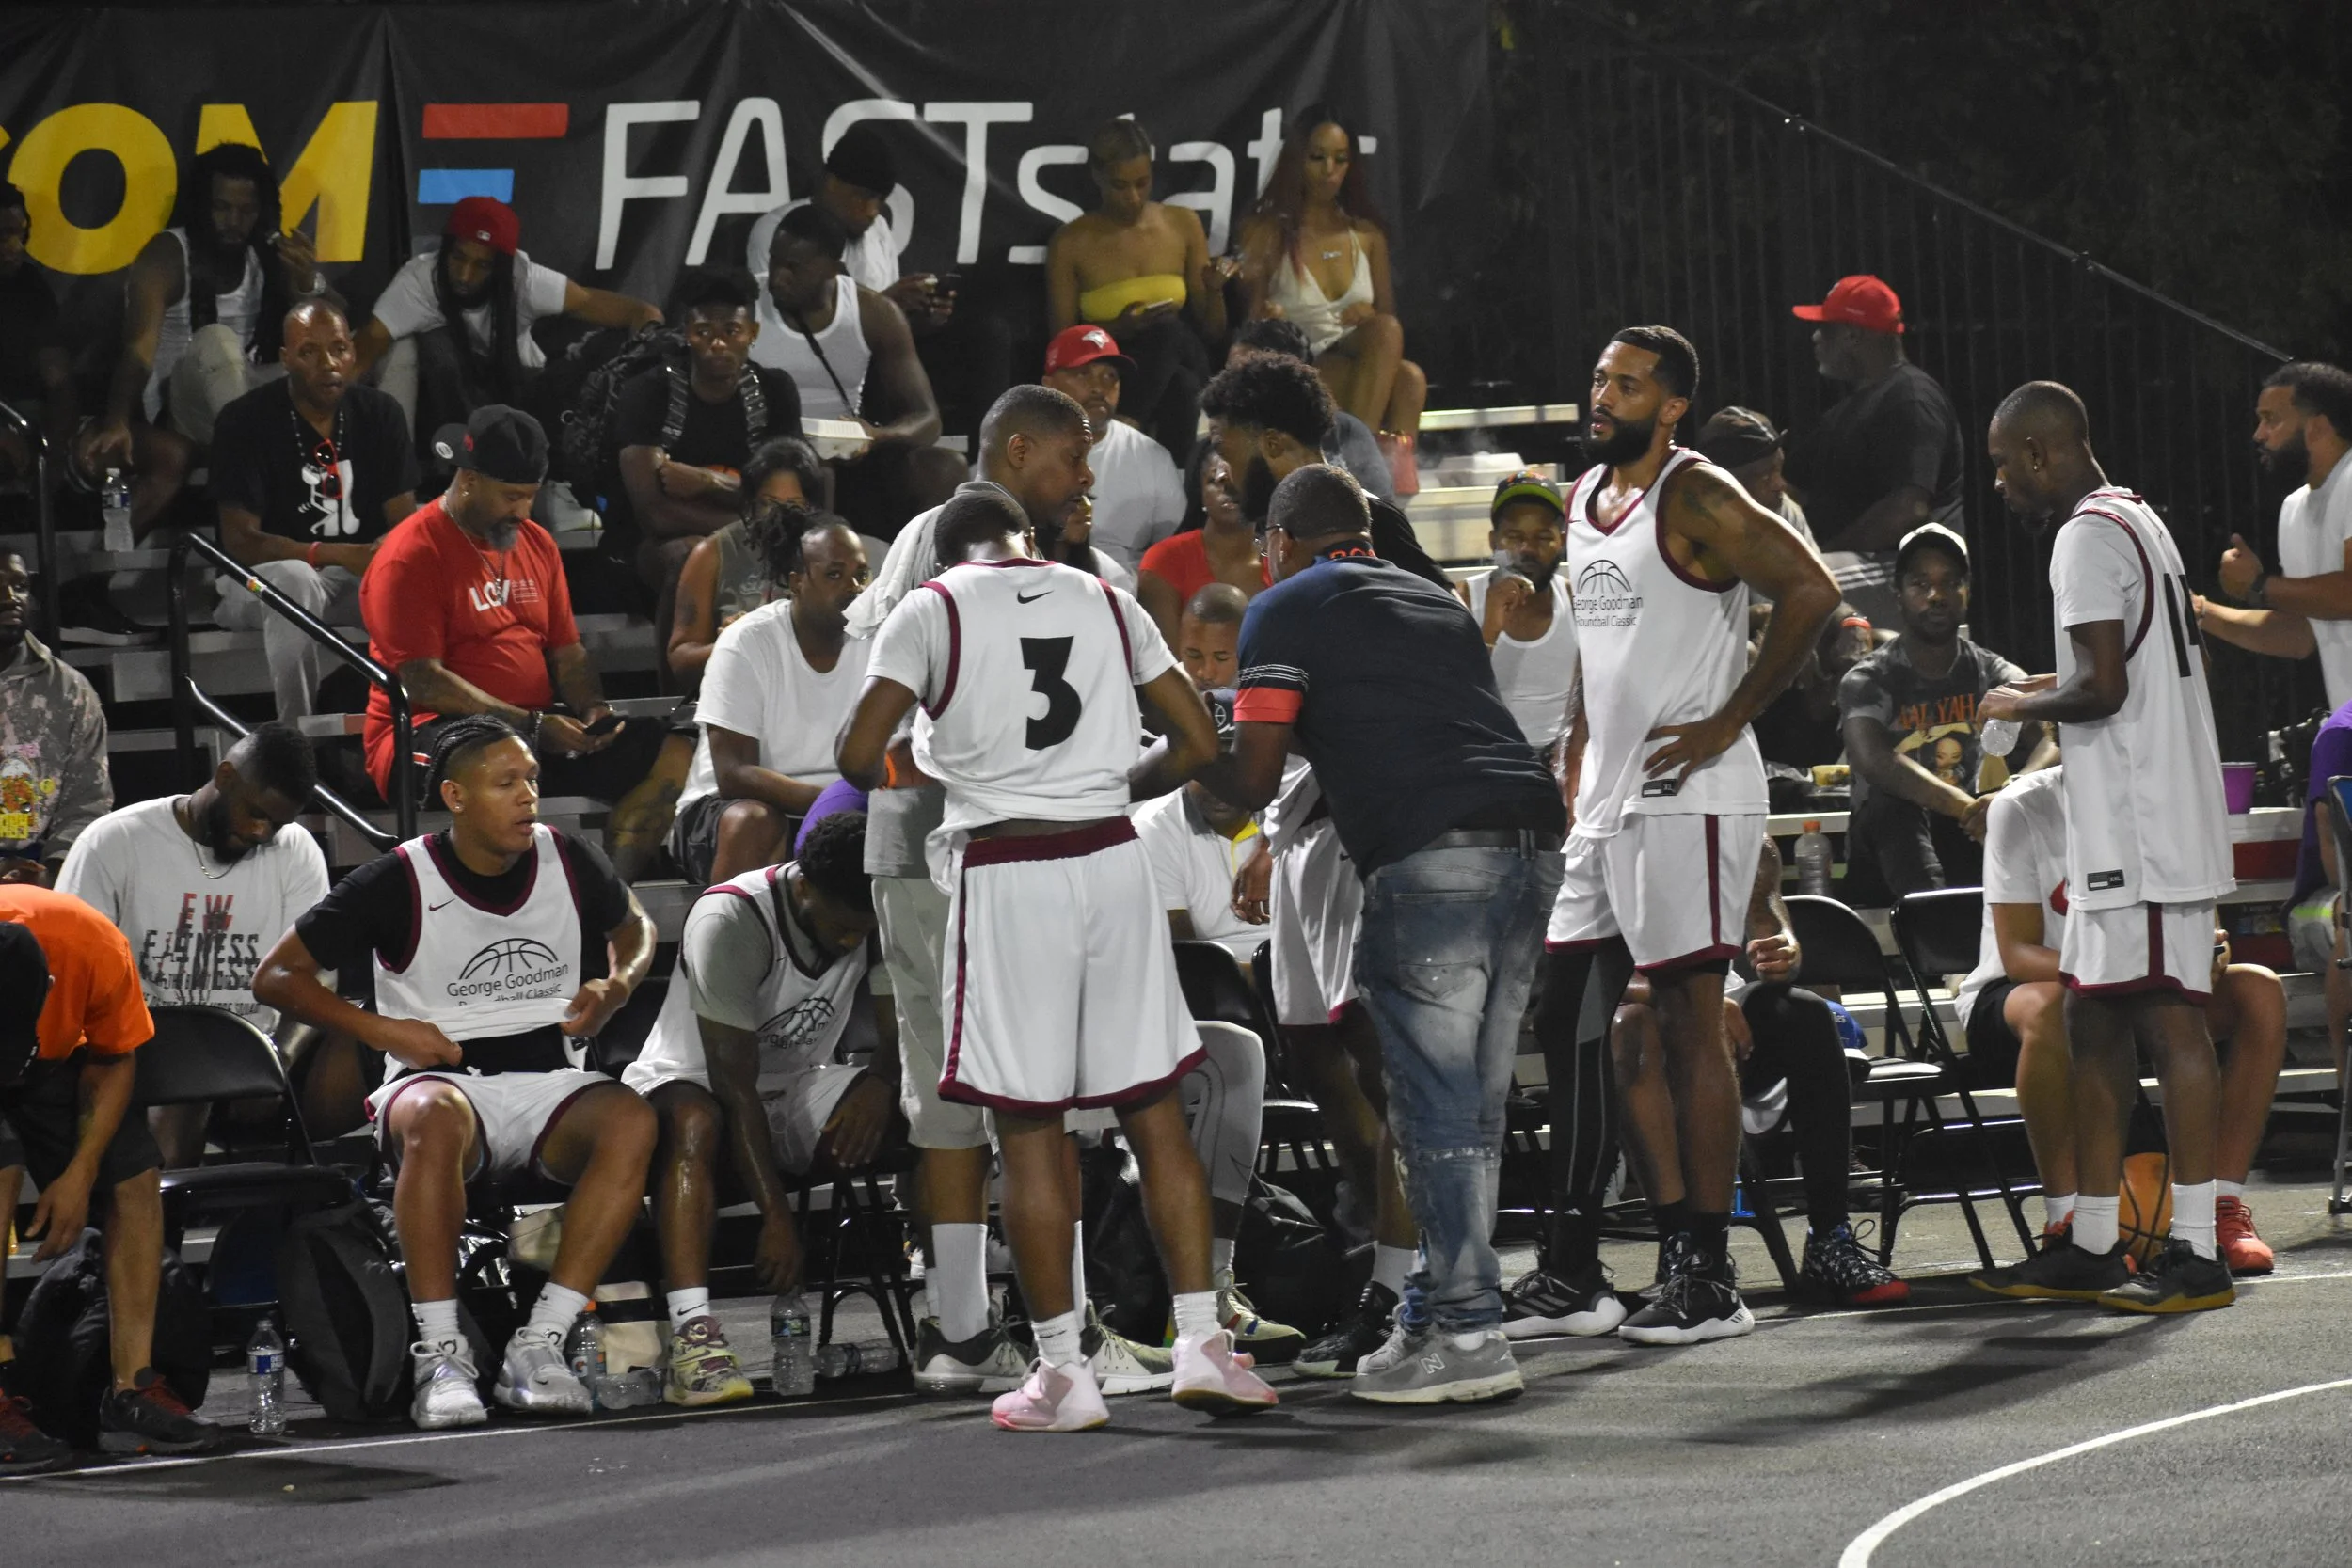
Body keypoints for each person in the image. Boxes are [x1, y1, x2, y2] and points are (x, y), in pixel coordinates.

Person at [838, 485, 1275, 1431]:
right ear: (1026, 540)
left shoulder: (931, 608)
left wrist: (948, 753)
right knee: (1153, 1107)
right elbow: (1198, 740)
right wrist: (1111, 778)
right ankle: (1203, 1340)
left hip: (1008, 867)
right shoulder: (1104, 595)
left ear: (948, 556)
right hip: (1111, 857)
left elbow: (854, 750)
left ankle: (1064, 1373)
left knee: (1029, 1126)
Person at [1198, 463, 1562, 1405]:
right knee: (1465, 1105)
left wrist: (1168, 754)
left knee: (1434, 1107)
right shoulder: (1436, 598)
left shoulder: (1282, 606)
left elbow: (1252, 771)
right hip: (1529, 837)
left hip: (1430, 848)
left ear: (1280, 540)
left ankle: (1470, 1334)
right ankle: (1430, 1316)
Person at [844, 388, 1169, 1401]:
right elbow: (885, 710)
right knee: (1015, 1094)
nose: (1086, 481)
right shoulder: (944, 544)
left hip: (974, 850)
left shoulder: (1055, 563)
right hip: (968, 851)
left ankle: (974, 1330)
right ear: (1015, 450)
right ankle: (1027, 1335)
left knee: (982, 1092)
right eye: (1072, 459)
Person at [1534, 326, 1838, 1348]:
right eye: (1597, 376)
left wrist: (1728, 718)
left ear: (1670, 406)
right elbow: (1595, 636)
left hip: (1691, 790)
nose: (1601, 393)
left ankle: (1707, 1271)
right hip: (1606, 798)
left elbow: (1812, 589)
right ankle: (1582, 1268)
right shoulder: (1583, 498)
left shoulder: (1697, 492)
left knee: (1684, 1018)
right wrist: (1574, 735)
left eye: (1624, 383)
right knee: (1570, 1013)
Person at [253, 716, 659, 1427]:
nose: (528, 796)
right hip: (438, 1085)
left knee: (632, 1116)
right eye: (507, 783)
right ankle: (439, 1353)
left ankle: (540, 1344)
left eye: (533, 780)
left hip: (549, 1081)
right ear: (456, 795)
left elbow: (636, 928)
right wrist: (383, 1029)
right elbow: (277, 975)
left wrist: (617, 985)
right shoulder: (398, 877)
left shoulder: (567, 856)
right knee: (435, 1116)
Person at [1970, 379, 2238, 1314]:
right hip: (2128, 820)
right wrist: (2049, 682)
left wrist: (2015, 701)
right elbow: (2115, 661)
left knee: (2169, 1020)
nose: (1999, 481)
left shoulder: (2082, 534)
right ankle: (2090, 1240)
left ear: (2042, 452)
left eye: (2004, 463)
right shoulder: (2138, 519)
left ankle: (2198, 1249)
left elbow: (2102, 689)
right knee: (2091, 1022)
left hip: (2144, 823)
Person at [1957, 765, 2281, 1278]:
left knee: (2259, 990)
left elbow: (2210, 928)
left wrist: (2210, 953)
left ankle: (2222, 1208)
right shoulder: (2021, 806)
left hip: (2141, 985)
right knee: (2052, 1007)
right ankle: (2066, 1220)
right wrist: (2123, 971)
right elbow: (2018, 953)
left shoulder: (2173, 796)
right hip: (2028, 990)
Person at [623, 810, 898, 1407]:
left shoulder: (869, 908)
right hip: (689, 1084)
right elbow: (734, 1083)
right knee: (697, 1120)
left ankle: (955, 1315)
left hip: (794, 1085)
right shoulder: (729, 917)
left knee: (916, 1105)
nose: (853, 941)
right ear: (803, 888)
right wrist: (778, 1214)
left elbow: (902, 1019)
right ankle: (694, 1338)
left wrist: (881, 1080)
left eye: (862, 931)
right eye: (842, 928)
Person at [1608, 835, 1907, 1311]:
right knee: (1633, 1027)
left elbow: (1775, 941)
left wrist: (1783, 951)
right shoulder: (1592, 838)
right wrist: (1691, 1002)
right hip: (1635, 1014)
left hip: (1727, 1012)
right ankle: (1681, 1244)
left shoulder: (1735, 827)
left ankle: (1830, 1236)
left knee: (1806, 1010)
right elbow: (1570, 976)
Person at [358, 405, 669, 863]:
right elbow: (421, 680)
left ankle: (612, 888)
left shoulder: (538, 543)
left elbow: (568, 652)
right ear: (467, 480)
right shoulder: (411, 554)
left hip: (529, 733)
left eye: (530, 496)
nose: (523, 512)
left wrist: (592, 711)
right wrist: (532, 727)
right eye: (510, 497)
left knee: (674, 741)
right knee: (492, 758)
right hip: (427, 736)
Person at [54, 723, 353, 1164]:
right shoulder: (116, 840)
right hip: (146, 1050)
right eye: (255, 813)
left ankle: (327, 1208)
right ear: (226, 776)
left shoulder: (294, 850)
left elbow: (321, 969)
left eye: (277, 823)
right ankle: (160, 1218)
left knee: (364, 1034)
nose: (261, 832)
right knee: (187, 1075)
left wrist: (276, 1061)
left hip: (254, 1053)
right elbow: (72, 970)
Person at [0, 885, 212, 1462]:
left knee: (132, 1179)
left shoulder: (91, 947)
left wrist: (79, 1171)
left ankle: (132, 1389)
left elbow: (114, 1058)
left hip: (57, 1063)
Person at [79, 145, 321, 531]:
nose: (233, 221)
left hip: (243, 404)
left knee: (321, 361)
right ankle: (273, 497)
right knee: (217, 341)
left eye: (246, 211)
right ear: (200, 205)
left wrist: (308, 286)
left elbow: (333, 326)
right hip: (182, 413)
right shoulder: (168, 253)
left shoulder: (267, 252)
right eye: (222, 208)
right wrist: (119, 419)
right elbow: (138, 348)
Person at [209, 301, 419, 719]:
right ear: (286, 359)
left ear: (353, 354)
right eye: (309, 352)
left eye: (339, 348)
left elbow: (404, 523)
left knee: (414, 577)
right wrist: (335, 554)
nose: (328, 363)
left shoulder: (381, 414)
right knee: (295, 577)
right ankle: (297, 737)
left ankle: (420, 724)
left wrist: (381, 553)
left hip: (352, 579)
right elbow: (240, 543)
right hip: (256, 585)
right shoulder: (244, 420)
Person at [744, 125, 1010, 438]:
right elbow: (781, 313)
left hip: (881, 348)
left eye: (879, 200)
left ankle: (988, 452)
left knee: (987, 333)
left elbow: (890, 327)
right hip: (822, 354)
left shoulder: (878, 230)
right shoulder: (782, 232)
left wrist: (922, 317)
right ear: (831, 183)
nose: (871, 211)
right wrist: (888, 303)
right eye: (863, 197)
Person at [1837, 523, 2051, 902]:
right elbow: (1875, 760)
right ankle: (1936, 931)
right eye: (1921, 584)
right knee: (1893, 807)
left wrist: (2010, 794)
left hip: (1967, 834)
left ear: (1967, 592)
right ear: (1899, 595)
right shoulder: (1869, 678)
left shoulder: (1992, 673)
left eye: (1950, 583)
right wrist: (1968, 807)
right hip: (1885, 857)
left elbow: (2051, 738)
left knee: (2028, 800)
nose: (1936, 596)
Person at [356, 196, 660, 445]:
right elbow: (364, 350)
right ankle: (423, 471)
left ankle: (542, 466)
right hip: (441, 409)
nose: (464, 276)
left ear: (502, 267)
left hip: (513, 387)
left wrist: (643, 349)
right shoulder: (419, 281)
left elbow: (637, 311)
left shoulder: (524, 280)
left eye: (482, 265)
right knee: (416, 347)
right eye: (458, 257)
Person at [668, 514, 870, 888]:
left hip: (843, 810)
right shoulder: (747, 641)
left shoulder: (880, 639)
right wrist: (835, 802)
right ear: (796, 582)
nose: (854, 587)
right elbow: (733, 774)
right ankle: (725, 940)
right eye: (834, 574)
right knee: (754, 822)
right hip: (729, 808)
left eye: (862, 574)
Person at [610, 268, 803, 649]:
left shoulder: (775, 391)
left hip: (751, 535)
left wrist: (710, 482)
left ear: (752, 334)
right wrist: (756, 516)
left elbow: (794, 500)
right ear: (686, 334)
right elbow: (655, 515)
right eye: (704, 332)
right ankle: (677, 690)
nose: (718, 344)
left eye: (731, 331)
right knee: (691, 557)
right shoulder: (649, 394)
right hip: (654, 547)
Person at [751, 203, 964, 538]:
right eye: (775, 261)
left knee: (946, 467)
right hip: (768, 451)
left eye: (794, 268)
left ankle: (914, 578)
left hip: (846, 454)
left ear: (833, 269)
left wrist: (876, 436)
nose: (778, 277)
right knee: (818, 472)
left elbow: (927, 419)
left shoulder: (873, 313)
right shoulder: (748, 304)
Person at [1237, 108, 1424, 483]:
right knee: (1401, 371)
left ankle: (1371, 481)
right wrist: (1269, 314)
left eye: (1340, 159)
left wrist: (1368, 314)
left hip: (1357, 362)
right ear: (1296, 160)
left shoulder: (1367, 235)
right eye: (1317, 158)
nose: (1329, 171)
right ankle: (1366, 470)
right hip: (1303, 367)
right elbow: (1249, 328)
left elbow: (1389, 327)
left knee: (1408, 375)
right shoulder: (1269, 230)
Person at [1783, 277, 1965, 627]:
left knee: (1790, 584)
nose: (1815, 337)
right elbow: (1789, 488)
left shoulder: (1912, 398)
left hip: (1906, 570)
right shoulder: (1850, 408)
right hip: (1862, 564)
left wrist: (1819, 552)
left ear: (1853, 335)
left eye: (1826, 329)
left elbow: (1908, 508)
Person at [1046, 119, 1232, 460]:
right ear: (1097, 178)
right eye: (1119, 186)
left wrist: (1215, 291)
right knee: (1183, 388)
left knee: (1169, 329)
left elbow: (1213, 331)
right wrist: (1120, 328)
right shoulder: (1071, 241)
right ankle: (1175, 484)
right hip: (1114, 367)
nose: (1133, 197)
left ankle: (1126, 427)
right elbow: (1062, 340)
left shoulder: (1182, 223)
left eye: (1142, 183)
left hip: (1182, 347)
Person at [1198, 353, 1446, 588]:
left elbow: (1450, 613)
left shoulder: (1371, 520)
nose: (1221, 474)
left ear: (1273, 444)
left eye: (1224, 453)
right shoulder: (1267, 524)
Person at [2199, 361, 2352, 707]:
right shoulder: (2294, 508)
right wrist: (2198, 610)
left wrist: (2258, 585)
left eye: (2271, 419)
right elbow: (2300, 635)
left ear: (2318, 427)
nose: (2259, 434)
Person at [666, 436, 826, 682]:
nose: (780, 515)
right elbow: (681, 659)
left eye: (794, 505)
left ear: (812, 507)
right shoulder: (713, 553)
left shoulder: (836, 553)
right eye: (769, 504)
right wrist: (730, 644)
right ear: (751, 504)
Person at [0, 549, 110, 885]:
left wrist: (56, 871)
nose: (10, 598)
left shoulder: (68, 690)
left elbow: (87, 801)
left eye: (20, 586)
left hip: (38, 871)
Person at [1040, 325, 1185, 573]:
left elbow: (1170, 552)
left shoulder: (1152, 457)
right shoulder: (1024, 451)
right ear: (1049, 384)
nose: (1099, 388)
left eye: (1110, 377)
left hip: (1127, 598)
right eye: (1083, 374)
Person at [1457, 471, 1579, 754]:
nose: (1527, 550)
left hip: (1562, 760)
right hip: (1488, 756)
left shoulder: (1576, 600)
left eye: (1543, 537)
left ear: (1561, 541)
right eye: (1514, 537)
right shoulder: (1462, 598)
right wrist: (1488, 630)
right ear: (1493, 541)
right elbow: (1450, 697)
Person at [1225, 318, 1395, 501]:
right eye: (1230, 372)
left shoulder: (1343, 429)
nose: (1233, 384)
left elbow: (1382, 504)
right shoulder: (1225, 438)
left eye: (1248, 374)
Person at [1139, 456, 1267, 642]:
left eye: (1242, 479)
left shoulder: (1282, 557)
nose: (1230, 489)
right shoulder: (1165, 558)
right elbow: (1164, 659)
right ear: (1201, 494)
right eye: (1217, 481)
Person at [0, 182, 77, 485]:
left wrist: (56, 449)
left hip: (25, 417)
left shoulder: (29, 286)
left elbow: (59, 381)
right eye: (4, 235)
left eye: (21, 234)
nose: (16, 247)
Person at [1695, 406, 1814, 548]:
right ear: (1726, 484)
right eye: (1765, 476)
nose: (1780, 484)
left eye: (1778, 469)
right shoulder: (1692, 529)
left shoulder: (1782, 508)